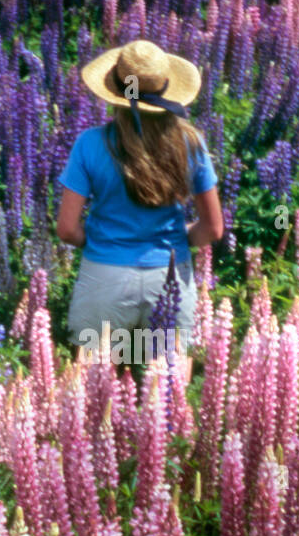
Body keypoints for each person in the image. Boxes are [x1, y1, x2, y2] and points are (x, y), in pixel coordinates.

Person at [56, 39, 223, 364]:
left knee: (87, 400)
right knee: (169, 400)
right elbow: (214, 229)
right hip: (170, 280)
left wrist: (102, 241)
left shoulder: (89, 144)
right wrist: (179, 238)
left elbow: (66, 229)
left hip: (104, 277)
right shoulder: (192, 144)